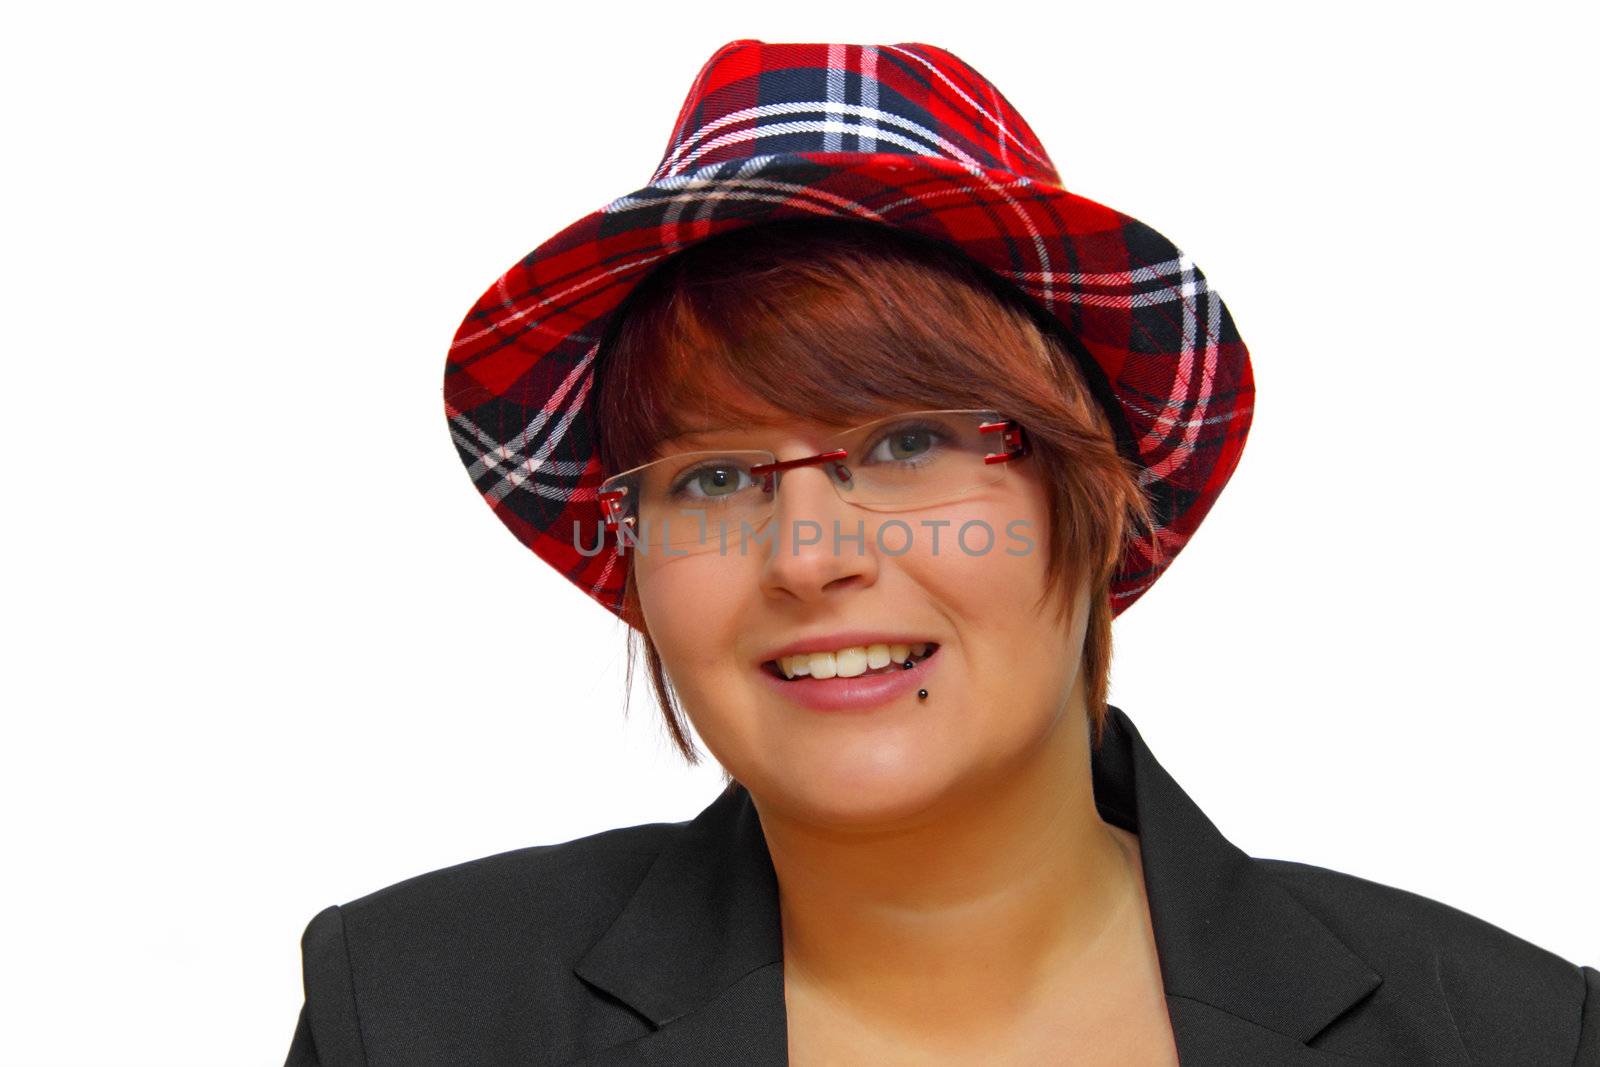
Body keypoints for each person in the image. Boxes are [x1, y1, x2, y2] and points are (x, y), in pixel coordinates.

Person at [284, 39, 1598, 1065]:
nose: (807, 554)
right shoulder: (408, 1014)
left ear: (1089, 501)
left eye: (909, 444)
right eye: (716, 475)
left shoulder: (1513, 1038)